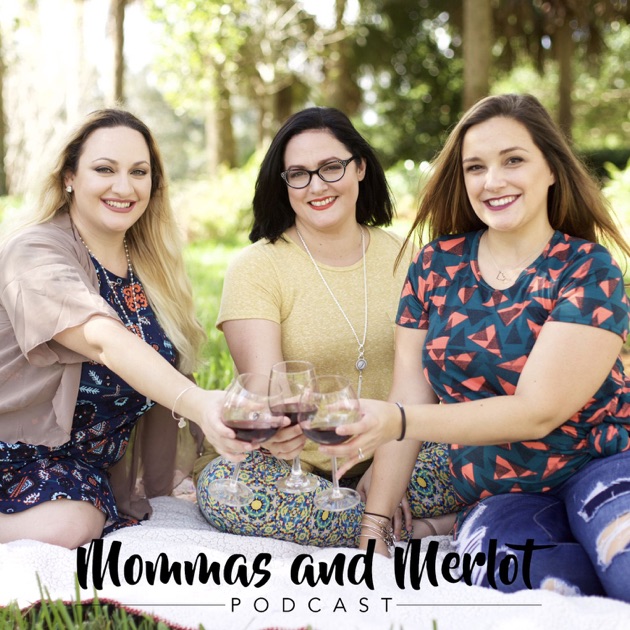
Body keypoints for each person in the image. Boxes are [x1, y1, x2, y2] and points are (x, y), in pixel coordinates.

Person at [323, 94, 630, 601]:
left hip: (601, 464)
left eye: (513, 160)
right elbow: (410, 393)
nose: (492, 181)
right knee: (518, 578)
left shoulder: (586, 268)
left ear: (552, 169)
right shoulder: (435, 265)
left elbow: (536, 413)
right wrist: (374, 528)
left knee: (623, 563)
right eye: (476, 167)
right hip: (499, 494)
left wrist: (396, 419)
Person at [195, 106, 461, 547]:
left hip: (403, 452)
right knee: (226, 493)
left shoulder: (410, 258)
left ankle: (376, 511)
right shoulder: (257, 267)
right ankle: (414, 525)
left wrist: (387, 474)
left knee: (489, 449)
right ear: (284, 184)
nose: (316, 186)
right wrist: (278, 430)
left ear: (359, 167)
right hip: (295, 469)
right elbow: (266, 389)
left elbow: (427, 384)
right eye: (298, 174)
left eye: (331, 167)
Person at [0, 109, 259, 549]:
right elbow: (102, 339)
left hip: (83, 470)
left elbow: (164, 370)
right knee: (73, 523)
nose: (124, 187)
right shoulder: (35, 252)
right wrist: (199, 404)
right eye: (105, 169)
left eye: (139, 172)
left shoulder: (149, 266)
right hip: (15, 451)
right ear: (69, 176)